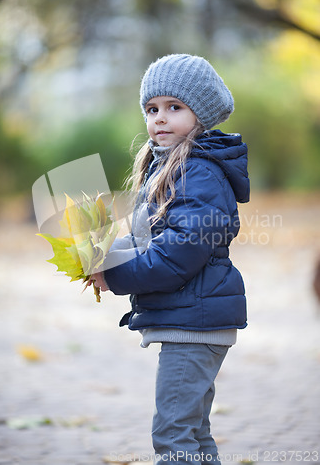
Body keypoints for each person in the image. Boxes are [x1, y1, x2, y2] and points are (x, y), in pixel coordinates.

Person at [91, 54, 250, 465]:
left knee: (173, 434)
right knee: (192, 432)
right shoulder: (171, 168)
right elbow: (152, 239)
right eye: (152, 109)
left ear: (203, 113)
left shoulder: (198, 173)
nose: (160, 118)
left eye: (174, 107)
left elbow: (176, 256)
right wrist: (104, 256)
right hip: (193, 320)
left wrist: (115, 276)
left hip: (195, 325)